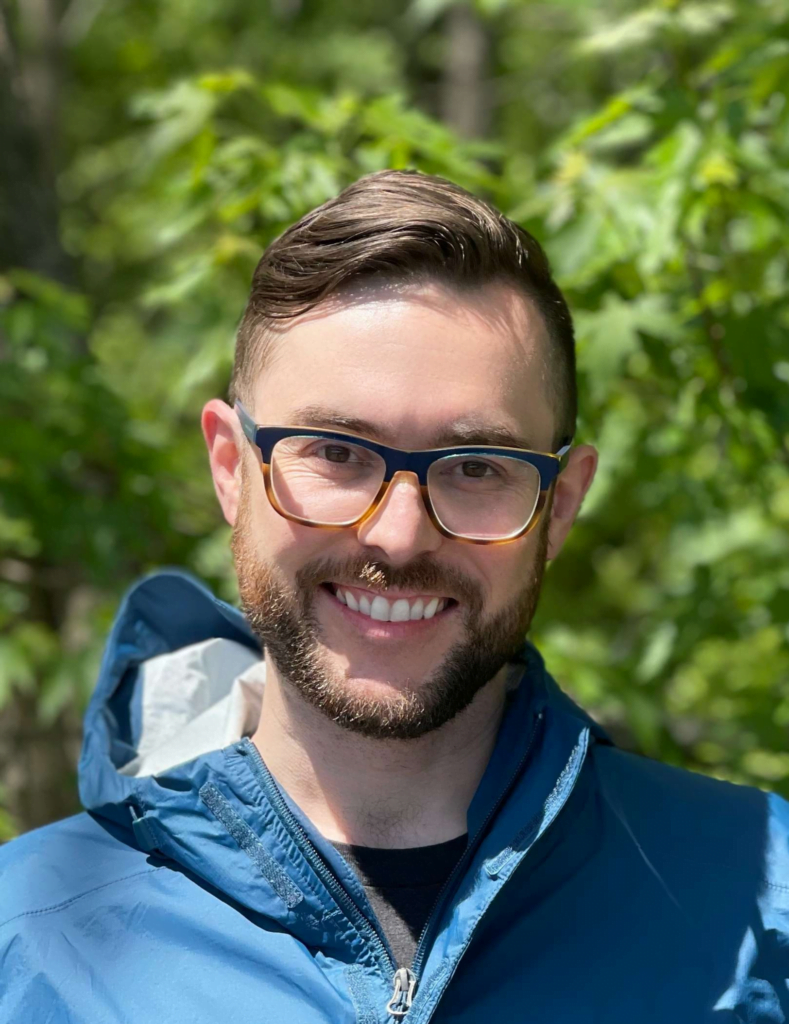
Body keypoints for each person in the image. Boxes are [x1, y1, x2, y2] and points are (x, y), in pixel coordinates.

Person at [1, 170, 788, 1024]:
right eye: (336, 453)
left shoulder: (757, 898)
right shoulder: (32, 939)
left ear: (559, 505)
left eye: (476, 467)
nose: (399, 536)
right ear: (230, 468)